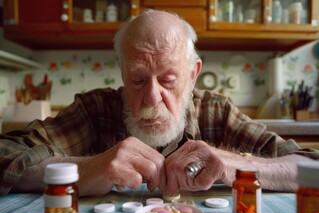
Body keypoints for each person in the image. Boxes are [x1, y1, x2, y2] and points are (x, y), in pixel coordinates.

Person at [0, 10, 318, 197]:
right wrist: (85, 170)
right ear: (123, 74)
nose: (152, 98)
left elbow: (311, 167)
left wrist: (236, 165)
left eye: (168, 79)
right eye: (138, 80)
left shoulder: (217, 112)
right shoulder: (94, 111)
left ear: (193, 75)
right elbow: (6, 154)